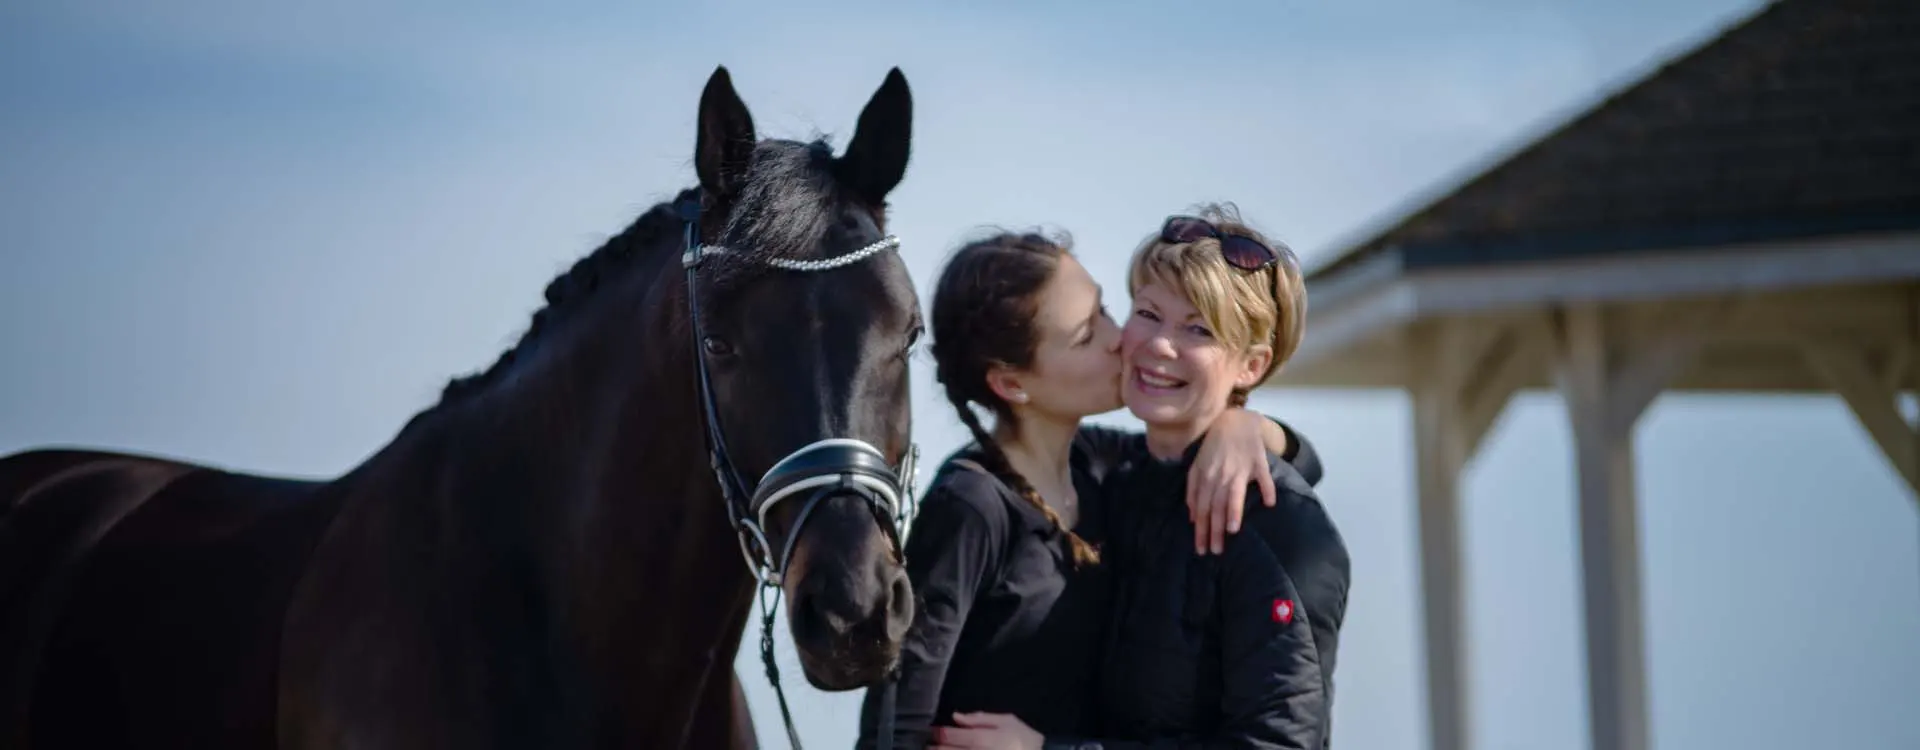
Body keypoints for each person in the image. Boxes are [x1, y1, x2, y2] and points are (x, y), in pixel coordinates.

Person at [854, 230, 1324, 750]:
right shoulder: (979, 502)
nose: (1121, 339)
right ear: (1011, 384)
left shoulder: (1108, 470)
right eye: (1087, 333)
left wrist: (1254, 428)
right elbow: (894, 724)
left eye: (1105, 309)